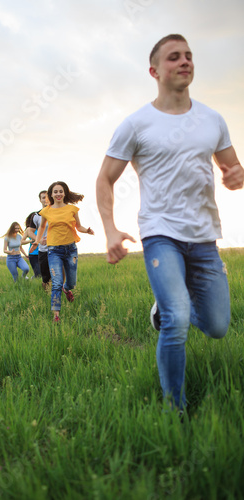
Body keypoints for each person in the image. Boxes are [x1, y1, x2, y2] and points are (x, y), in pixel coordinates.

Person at [96, 34, 244, 413]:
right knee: (177, 322)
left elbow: (232, 166)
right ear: (155, 71)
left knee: (216, 326)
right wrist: (111, 230)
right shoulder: (136, 124)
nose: (185, 62)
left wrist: (235, 174)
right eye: (174, 57)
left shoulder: (212, 119)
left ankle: (160, 311)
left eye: (189, 56)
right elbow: (105, 179)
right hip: (160, 234)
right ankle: (174, 410)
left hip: (204, 237)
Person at [30, 182, 94, 322]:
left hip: (71, 249)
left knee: (71, 282)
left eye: (60, 191)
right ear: (51, 195)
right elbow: (41, 227)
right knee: (56, 282)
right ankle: (56, 315)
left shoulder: (72, 209)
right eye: (55, 192)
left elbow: (78, 226)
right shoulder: (46, 210)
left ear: (64, 193)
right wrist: (37, 240)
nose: (58, 194)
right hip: (53, 251)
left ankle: (67, 289)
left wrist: (87, 231)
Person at [29, 190, 51, 289]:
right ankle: (46, 294)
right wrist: (39, 240)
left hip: (56, 248)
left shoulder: (57, 212)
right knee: (45, 277)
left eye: (47, 197)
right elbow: (30, 232)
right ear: (40, 200)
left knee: (56, 274)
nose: (45, 199)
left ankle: (56, 295)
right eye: (43, 197)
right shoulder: (36, 216)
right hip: (43, 250)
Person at [21, 212, 41, 278]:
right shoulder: (29, 229)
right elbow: (22, 242)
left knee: (44, 273)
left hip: (43, 253)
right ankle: (32, 280)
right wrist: (31, 240)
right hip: (33, 255)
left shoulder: (41, 227)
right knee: (38, 274)